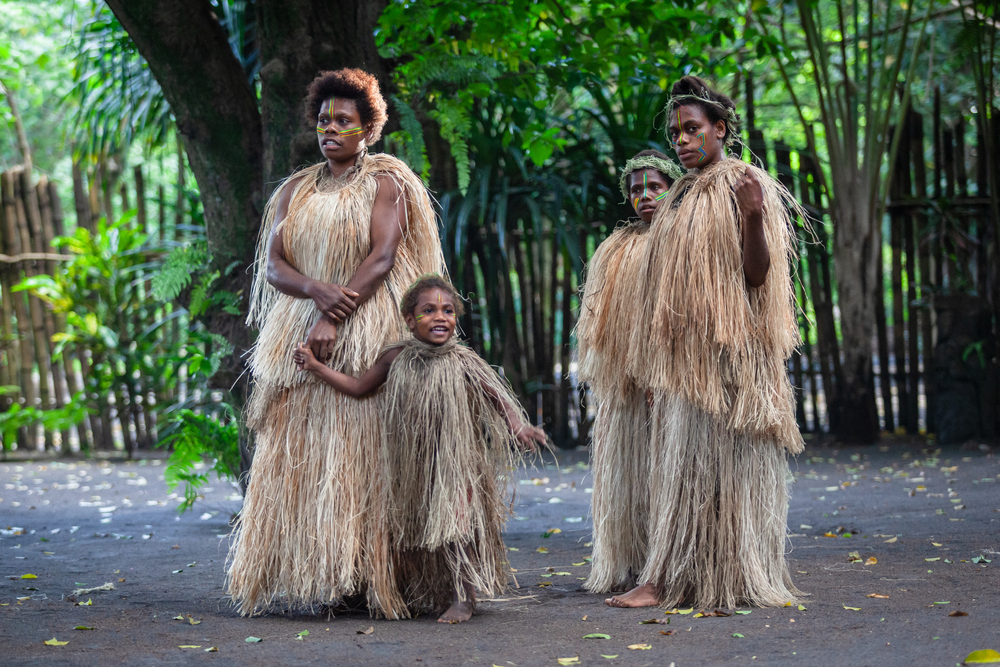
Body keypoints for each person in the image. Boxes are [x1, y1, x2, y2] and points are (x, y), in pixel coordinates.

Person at [227, 68, 445, 618]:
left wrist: (334, 311)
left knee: (365, 449)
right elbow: (274, 266)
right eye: (324, 120)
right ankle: (335, 570)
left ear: (367, 129)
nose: (331, 128)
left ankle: (379, 574)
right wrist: (314, 291)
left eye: (343, 121)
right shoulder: (294, 191)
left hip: (367, 323)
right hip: (298, 325)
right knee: (305, 454)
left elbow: (383, 254)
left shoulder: (387, 182)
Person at [608, 76, 805, 609]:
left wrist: (754, 215)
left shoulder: (744, 184)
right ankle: (664, 578)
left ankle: (733, 575)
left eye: (692, 129)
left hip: (734, 361)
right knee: (681, 473)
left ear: (720, 129)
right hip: (683, 365)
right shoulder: (677, 198)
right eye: (676, 133)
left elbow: (759, 276)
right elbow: (658, 292)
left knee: (728, 472)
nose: (682, 140)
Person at [292, 275, 546, 623]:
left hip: (457, 464)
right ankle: (417, 590)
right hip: (413, 466)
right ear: (410, 320)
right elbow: (358, 387)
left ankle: (463, 597)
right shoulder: (396, 356)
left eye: (448, 311)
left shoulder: (464, 361)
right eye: (429, 311)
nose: (441, 317)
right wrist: (317, 367)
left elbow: (498, 396)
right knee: (416, 531)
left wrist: (518, 426)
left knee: (457, 526)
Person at [577, 150, 681, 594]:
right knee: (635, 477)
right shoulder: (614, 249)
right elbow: (597, 326)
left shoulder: (687, 239)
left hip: (678, 381)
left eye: (654, 186)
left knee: (672, 473)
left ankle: (674, 562)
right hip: (627, 387)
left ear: (674, 188)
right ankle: (636, 559)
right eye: (636, 189)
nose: (645, 195)